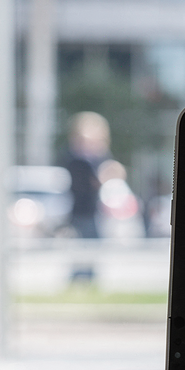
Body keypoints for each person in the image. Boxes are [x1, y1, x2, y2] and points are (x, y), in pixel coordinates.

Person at [62, 111, 123, 283]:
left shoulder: (101, 157)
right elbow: (82, 183)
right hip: (81, 211)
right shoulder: (74, 159)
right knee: (82, 246)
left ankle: (88, 278)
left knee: (94, 246)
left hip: (99, 212)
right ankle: (80, 278)